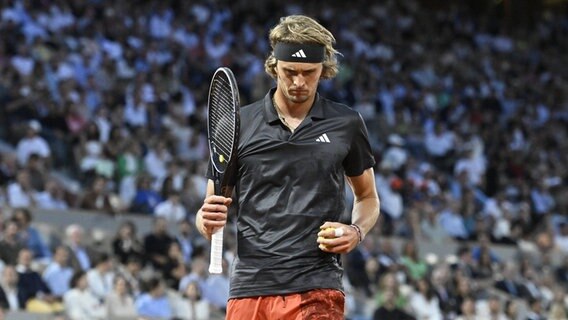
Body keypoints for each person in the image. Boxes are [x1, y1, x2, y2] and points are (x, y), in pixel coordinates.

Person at [196, 15, 380, 319]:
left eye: (309, 72)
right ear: (273, 67)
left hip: (316, 285)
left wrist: (356, 231)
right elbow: (210, 210)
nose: (298, 81)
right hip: (250, 287)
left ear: (324, 70)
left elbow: (368, 197)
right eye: (289, 71)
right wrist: (205, 220)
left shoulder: (346, 123)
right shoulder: (238, 125)